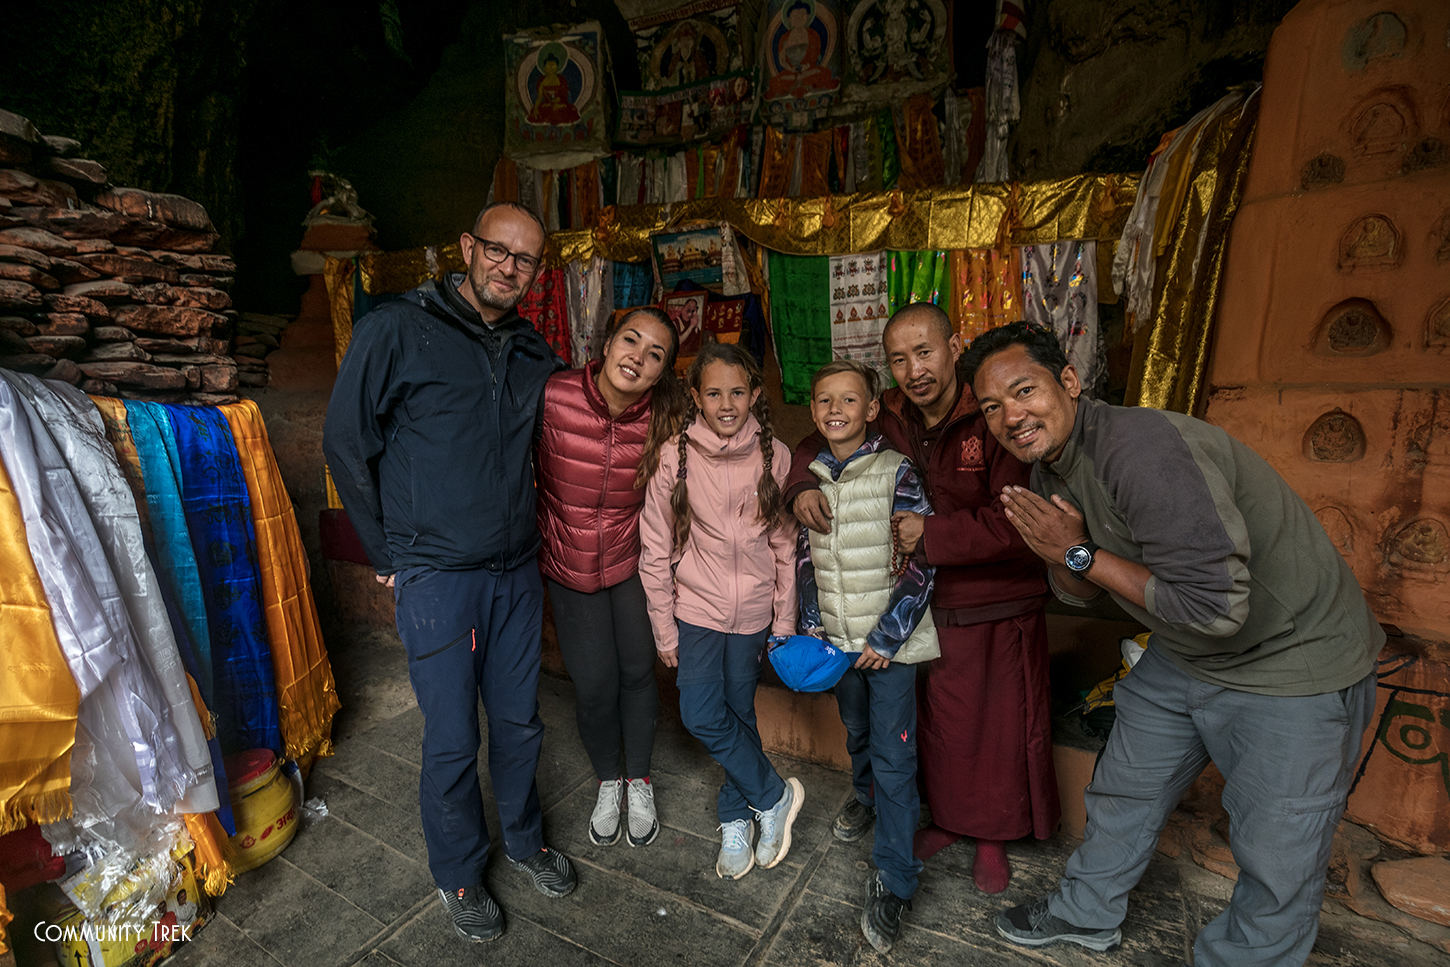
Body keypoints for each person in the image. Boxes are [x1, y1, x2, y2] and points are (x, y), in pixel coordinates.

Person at [965, 321, 1381, 966]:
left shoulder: (1140, 449)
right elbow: (1080, 593)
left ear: (1069, 382)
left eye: (1024, 391)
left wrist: (1076, 550)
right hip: (1182, 650)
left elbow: (1216, 608)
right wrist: (1064, 554)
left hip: (1292, 663)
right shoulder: (1049, 469)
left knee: (1278, 850)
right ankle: (1085, 916)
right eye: (992, 406)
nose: (1010, 416)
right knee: (1123, 791)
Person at [322, 202, 577, 945]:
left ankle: (525, 840)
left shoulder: (533, 351)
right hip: (436, 573)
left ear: (537, 271)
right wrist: (387, 552)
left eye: (526, 259)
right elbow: (345, 441)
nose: (509, 267)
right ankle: (460, 871)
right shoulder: (397, 329)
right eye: (497, 250)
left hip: (516, 572)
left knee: (521, 721)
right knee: (452, 735)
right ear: (467, 247)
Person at [785, 303, 1057, 894]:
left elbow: (1020, 522)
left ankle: (993, 834)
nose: (915, 370)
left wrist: (930, 536)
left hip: (992, 598)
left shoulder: (988, 412)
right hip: (913, 605)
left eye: (926, 352)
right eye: (899, 359)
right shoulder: (894, 418)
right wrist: (802, 482)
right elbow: (819, 440)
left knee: (995, 728)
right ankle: (950, 821)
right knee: (932, 728)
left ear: (954, 346)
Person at [638, 341, 806, 880]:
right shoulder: (674, 456)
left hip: (754, 614)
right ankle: (773, 794)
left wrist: (782, 623)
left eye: (738, 392)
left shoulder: (775, 456)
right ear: (696, 397)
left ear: (756, 395)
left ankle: (737, 816)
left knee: (738, 713)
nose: (727, 404)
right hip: (697, 611)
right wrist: (665, 630)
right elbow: (655, 549)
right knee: (699, 713)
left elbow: (785, 546)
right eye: (714, 393)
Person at [795, 359, 938, 953]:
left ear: (872, 409)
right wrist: (811, 628)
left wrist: (886, 639)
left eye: (849, 400)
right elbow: (806, 562)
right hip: (836, 643)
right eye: (825, 400)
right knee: (856, 730)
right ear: (813, 412)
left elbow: (923, 561)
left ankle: (896, 876)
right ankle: (865, 797)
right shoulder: (810, 477)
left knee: (894, 751)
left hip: (890, 647)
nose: (835, 410)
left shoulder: (896, 471)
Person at [535, 307, 687, 848]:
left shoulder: (666, 419)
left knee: (637, 674)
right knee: (595, 687)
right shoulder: (553, 396)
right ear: (608, 342)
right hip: (567, 564)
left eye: (655, 355)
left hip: (631, 561)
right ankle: (607, 780)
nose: (638, 358)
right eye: (631, 340)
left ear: (662, 371)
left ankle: (638, 779)